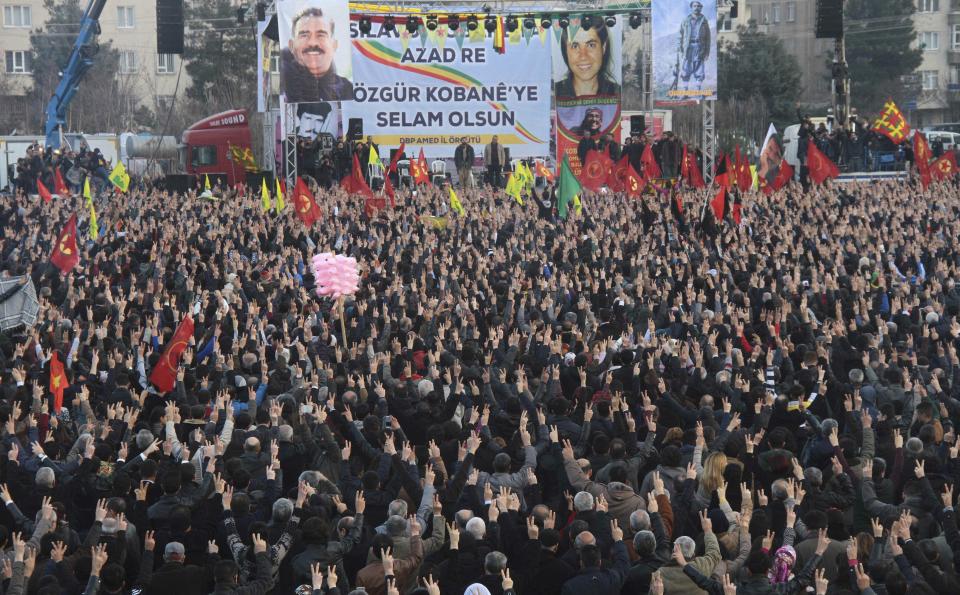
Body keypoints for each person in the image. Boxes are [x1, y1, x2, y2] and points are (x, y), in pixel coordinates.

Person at [281, 7, 353, 102]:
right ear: (291, 45)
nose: (312, 43)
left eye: (321, 35)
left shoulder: (348, 90)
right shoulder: (283, 90)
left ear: (334, 45)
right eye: (304, 35)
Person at [556, 23, 620, 98]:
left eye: (591, 45)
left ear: (603, 47)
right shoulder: (552, 94)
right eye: (575, 46)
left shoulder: (620, 95)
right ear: (565, 51)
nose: (583, 56)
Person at [674, 1, 712, 92]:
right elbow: (680, 34)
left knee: (699, 69)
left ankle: (698, 90)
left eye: (698, 6)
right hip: (688, 47)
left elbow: (708, 38)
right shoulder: (686, 20)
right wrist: (679, 46)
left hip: (700, 47)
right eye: (694, 6)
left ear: (701, 8)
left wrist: (707, 52)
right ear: (691, 7)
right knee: (686, 68)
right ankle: (685, 91)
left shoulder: (704, 21)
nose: (696, 7)